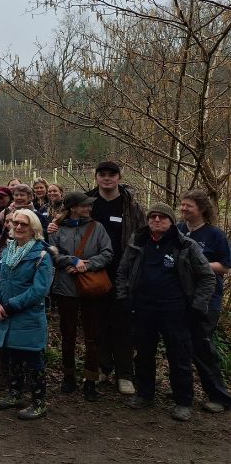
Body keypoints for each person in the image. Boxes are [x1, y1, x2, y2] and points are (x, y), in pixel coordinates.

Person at [117, 202, 214, 422]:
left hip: (175, 310)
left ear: (171, 221)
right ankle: (144, 394)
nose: (157, 220)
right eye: (153, 217)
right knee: (143, 355)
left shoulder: (185, 245)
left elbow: (207, 277)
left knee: (179, 356)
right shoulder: (138, 241)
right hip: (143, 309)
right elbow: (123, 272)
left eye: (162, 217)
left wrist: (198, 304)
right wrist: (123, 296)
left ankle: (183, 401)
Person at [85, 161, 145, 395]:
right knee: (97, 323)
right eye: (102, 174)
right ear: (96, 177)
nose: (107, 178)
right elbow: (68, 224)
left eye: (112, 174)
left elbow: (142, 236)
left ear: (119, 177)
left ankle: (125, 374)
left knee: (123, 324)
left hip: (124, 273)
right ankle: (101, 368)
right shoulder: (88, 202)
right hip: (93, 272)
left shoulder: (130, 205)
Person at [48, 192, 113, 401]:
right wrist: (72, 261)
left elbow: (107, 253)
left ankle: (91, 379)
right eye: (85, 206)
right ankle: (68, 376)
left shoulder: (97, 227)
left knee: (92, 336)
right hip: (65, 289)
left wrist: (86, 265)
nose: (89, 209)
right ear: (73, 207)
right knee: (68, 334)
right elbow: (52, 253)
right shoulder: (56, 228)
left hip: (91, 288)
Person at [0, 209, 54, 420]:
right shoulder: (6, 252)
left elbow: (39, 290)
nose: (18, 227)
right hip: (6, 314)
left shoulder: (42, 255)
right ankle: (15, 394)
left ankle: (38, 403)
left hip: (28, 316)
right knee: (13, 356)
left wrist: (9, 306)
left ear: (34, 229)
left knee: (34, 359)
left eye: (23, 224)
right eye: (15, 223)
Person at [178, 189, 231, 413]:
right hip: (181, 298)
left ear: (201, 209)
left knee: (203, 347)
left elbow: (225, 267)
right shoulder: (178, 230)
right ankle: (183, 390)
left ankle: (219, 396)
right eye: (182, 205)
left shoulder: (214, 235)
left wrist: (196, 265)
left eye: (188, 206)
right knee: (181, 346)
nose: (183, 209)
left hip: (208, 299)